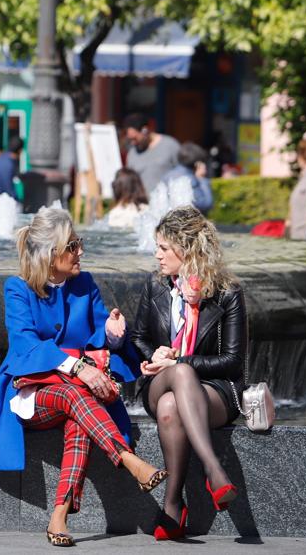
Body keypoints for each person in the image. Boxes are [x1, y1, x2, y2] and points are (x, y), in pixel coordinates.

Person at [0, 208, 168, 547]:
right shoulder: (18, 289)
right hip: (32, 394)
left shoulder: (84, 283)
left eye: (78, 243)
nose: (80, 251)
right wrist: (78, 366)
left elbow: (101, 332)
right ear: (51, 254)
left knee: (78, 418)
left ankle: (59, 516)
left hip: (76, 397)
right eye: (72, 245)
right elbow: (25, 344)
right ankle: (128, 459)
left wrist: (113, 334)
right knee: (73, 395)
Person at [130, 206, 248, 541]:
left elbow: (233, 361)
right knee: (178, 376)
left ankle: (172, 504)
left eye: (164, 248)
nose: (157, 255)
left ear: (188, 249)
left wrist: (184, 360)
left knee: (171, 407)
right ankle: (214, 470)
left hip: (215, 390)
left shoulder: (227, 293)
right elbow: (138, 337)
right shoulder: (155, 287)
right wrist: (156, 355)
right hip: (160, 381)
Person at [122, 113, 181, 190]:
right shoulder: (132, 153)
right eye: (130, 139)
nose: (133, 143)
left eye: (135, 138)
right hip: (142, 201)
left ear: (145, 131)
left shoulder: (170, 145)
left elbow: (184, 172)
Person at [161, 142, 213, 214]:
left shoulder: (167, 176)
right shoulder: (191, 179)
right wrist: (202, 179)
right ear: (197, 164)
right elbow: (205, 204)